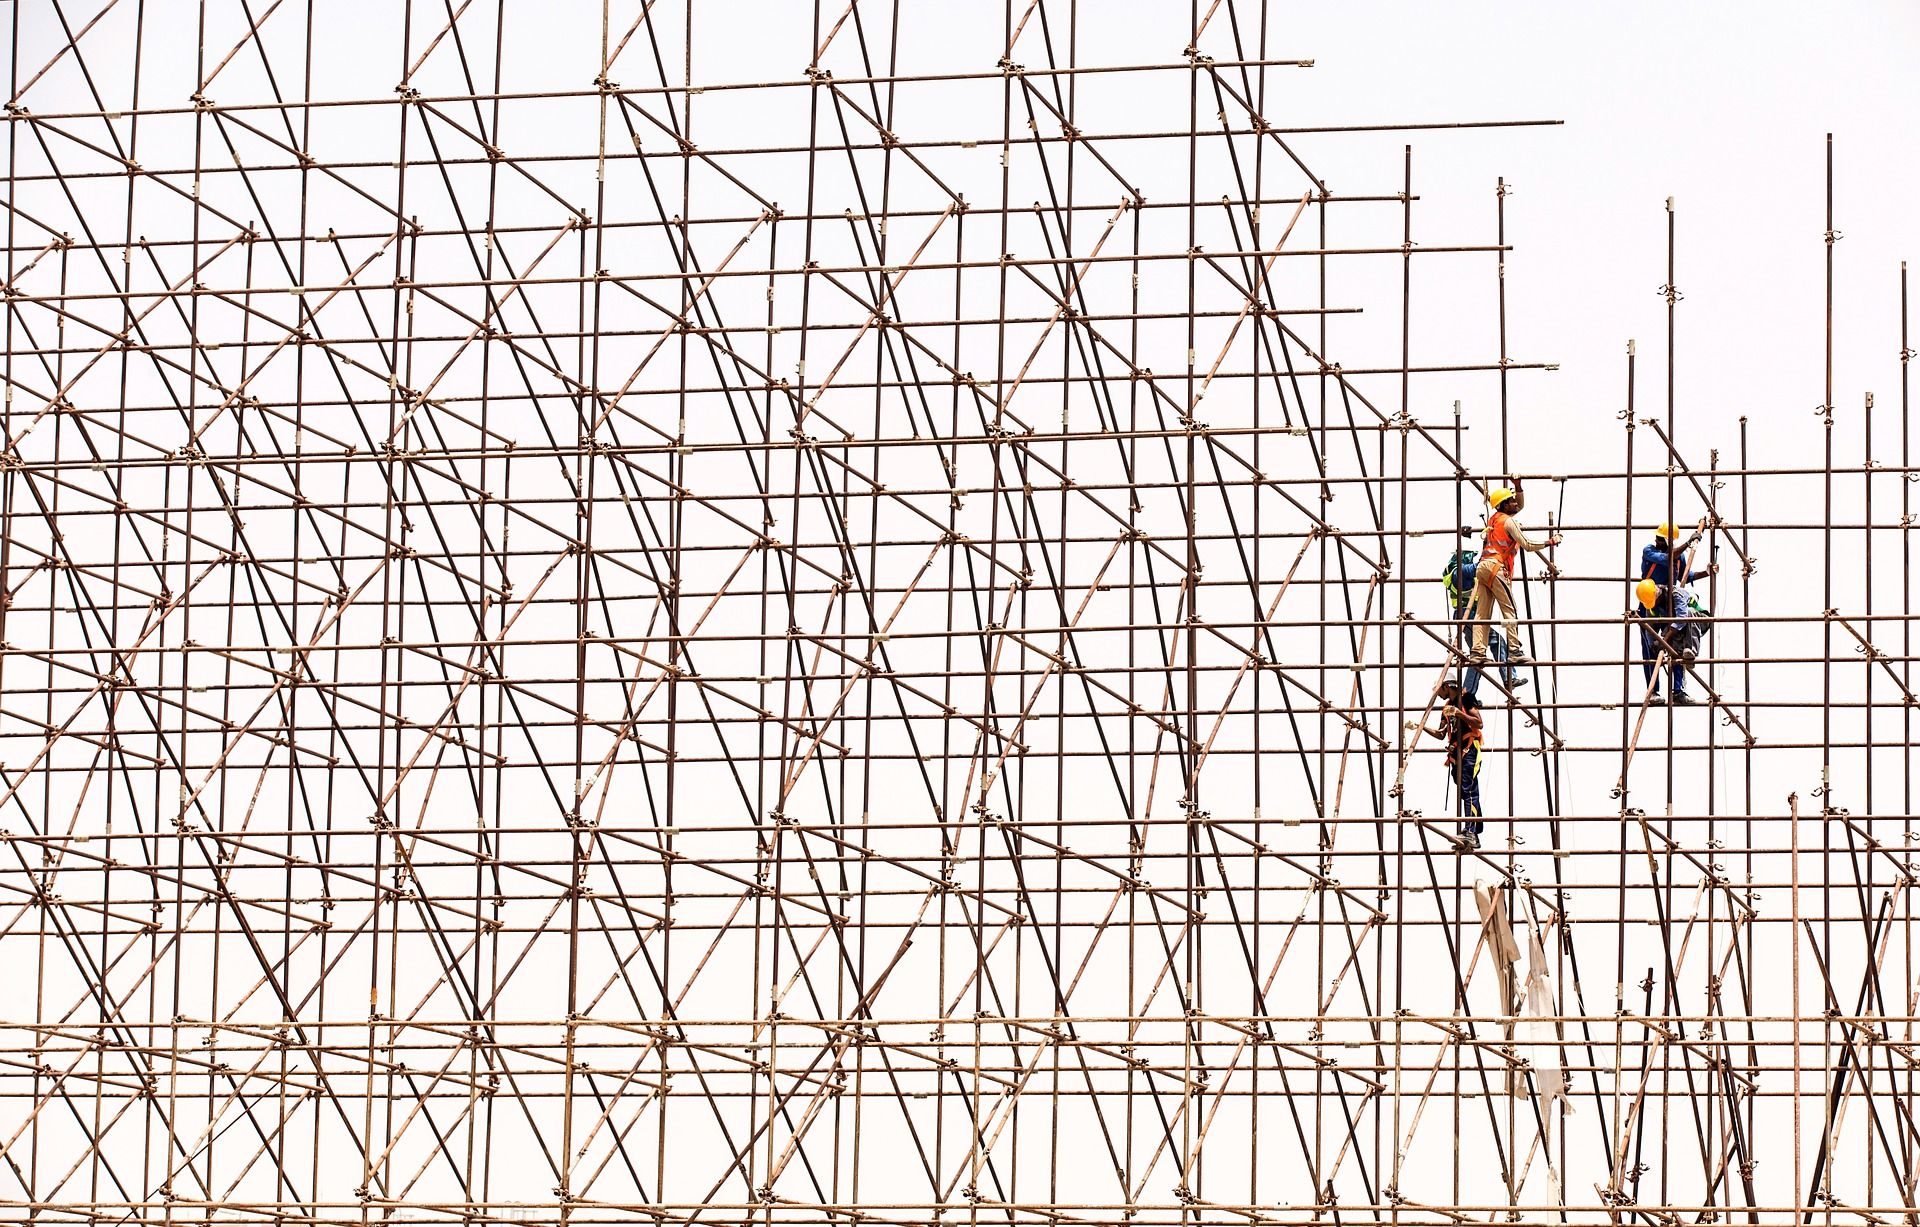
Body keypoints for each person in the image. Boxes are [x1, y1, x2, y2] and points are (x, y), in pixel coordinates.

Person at [1468, 483, 1561, 669]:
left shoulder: (1493, 519)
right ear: (1503, 505)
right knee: (1509, 609)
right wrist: (1551, 541)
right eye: (1510, 501)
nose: (1515, 503)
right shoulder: (1508, 522)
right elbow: (1527, 544)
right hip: (1496, 567)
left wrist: (1518, 487)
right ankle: (1514, 651)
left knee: (1482, 613)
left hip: (1483, 566)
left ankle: (1477, 652)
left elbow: (1520, 505)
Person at [1637, 521, 1716, 705]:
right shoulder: (1649, 551)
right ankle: (1654, 691)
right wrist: (1689, 543)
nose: (1656, 541)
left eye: (1660, 539)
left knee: (1676, 647)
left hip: (1670, 604)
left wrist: (1707, 572)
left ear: (1668, 541)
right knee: (1650, 648)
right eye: (1656, 537)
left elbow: (1687, 577)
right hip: (1649, 603)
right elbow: (1667, 559)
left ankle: (1678, 690)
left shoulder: (1678, 559)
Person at [1443, 548, 1524, 696]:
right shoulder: (1455, 570)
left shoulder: (1460, 571)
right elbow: (1470, 570)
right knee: (1495, 643)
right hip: (1466, 616)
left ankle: (1467, 694)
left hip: (1470, 616)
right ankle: (1509, 678)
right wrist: (1489, 560)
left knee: (1477, 657)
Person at [1425, 678, 1485, 849]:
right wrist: (1420, 727)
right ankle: (1474, 827)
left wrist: (1459, 713)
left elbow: (1479, 723)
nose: (1438, 695)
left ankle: (1471, 831)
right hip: (1456, 755)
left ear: (1446, 686)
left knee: (1469, 790)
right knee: (1465, 791)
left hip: (1469, 750)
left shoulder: (1465, 699)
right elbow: (1441, 734)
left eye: (1439, 690)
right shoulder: (1446, 708)